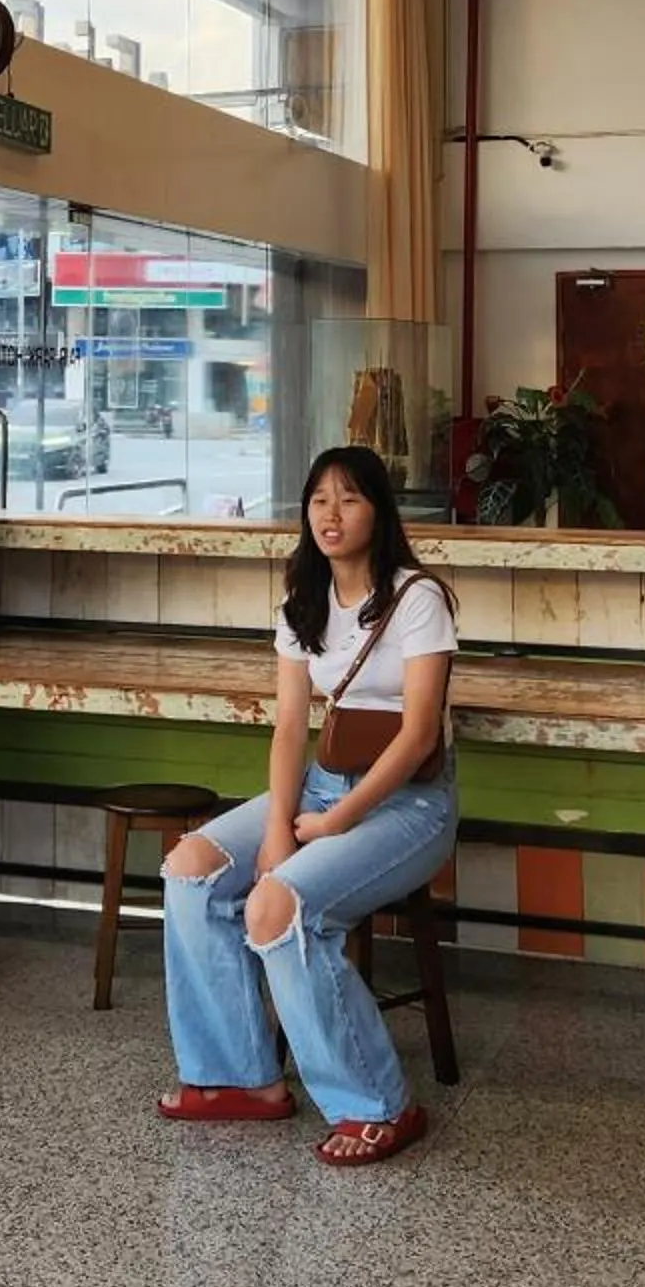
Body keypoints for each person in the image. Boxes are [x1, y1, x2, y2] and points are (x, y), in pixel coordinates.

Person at [157, 446, 458, 1166]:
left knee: (278, 907)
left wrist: (333, 824)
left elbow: (419, 735)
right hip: (324, 784)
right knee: (191, 868)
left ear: (380, 512)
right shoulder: (302, 597)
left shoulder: (418, 598)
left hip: (409, 805)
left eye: (349, 499)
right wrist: (276, 830)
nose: (331, 514)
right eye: (319, 500)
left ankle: (378, 1105)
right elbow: (291, 726)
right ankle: (241, 1078)